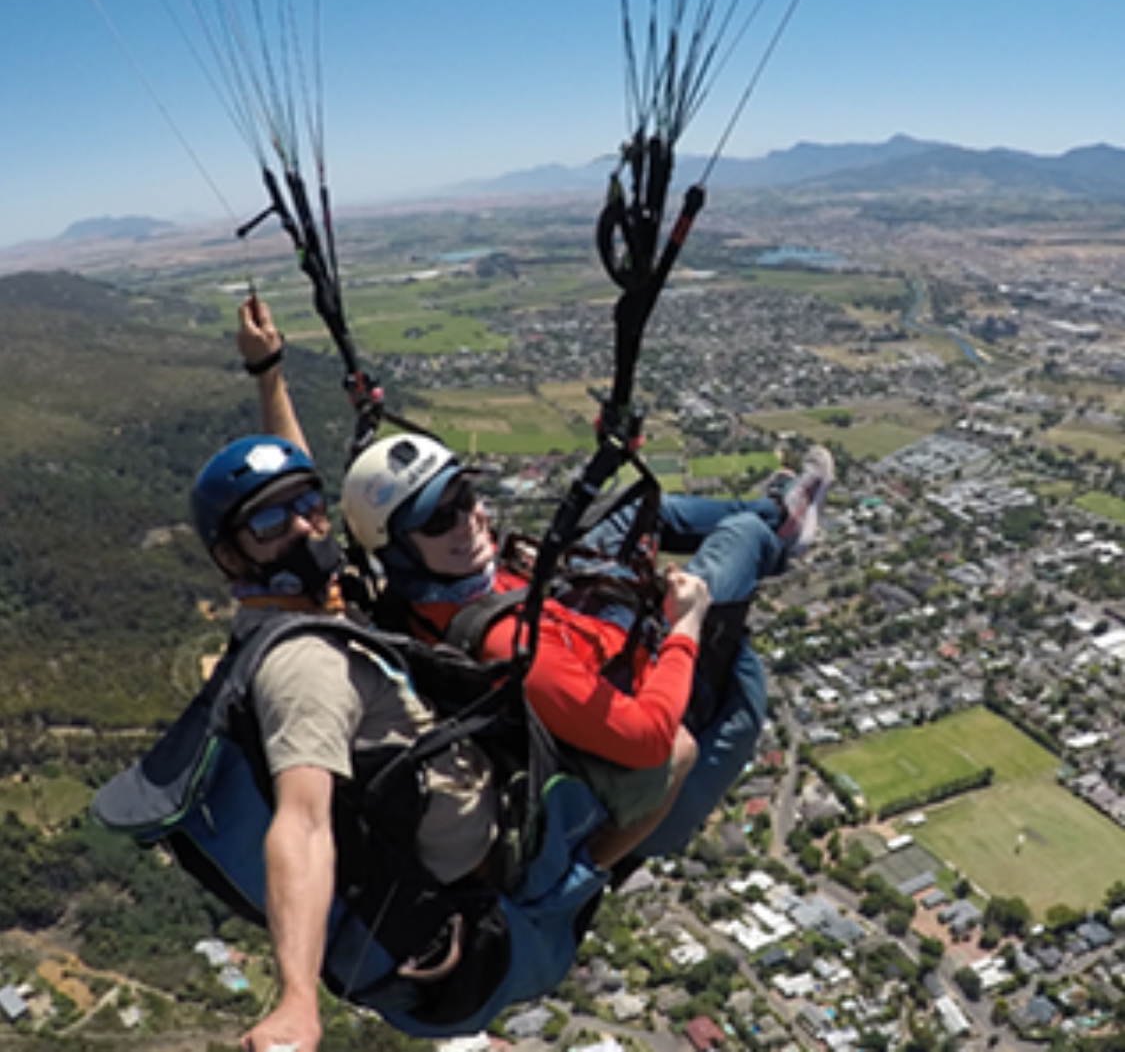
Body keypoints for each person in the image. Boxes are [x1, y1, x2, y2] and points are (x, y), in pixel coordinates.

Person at [238, 295, 834, 864]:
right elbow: (651, 738)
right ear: (401, 550)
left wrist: (268, 373)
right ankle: (775, 530)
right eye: (439, 517)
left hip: (580, 629)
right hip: (643, 688)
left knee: (630, 510)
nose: (469, 519)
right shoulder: (508, 648)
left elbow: (306, 507)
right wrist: (686, 625)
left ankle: (772, 513)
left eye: (466, 495)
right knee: (740, 545)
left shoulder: (408, 593)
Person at [189, 431, 502, 1052]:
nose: (305, 530)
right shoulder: (303, 664)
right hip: (476, 894)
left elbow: (294, 486)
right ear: (230, 557)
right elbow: (301, 823)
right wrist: (297, 1000)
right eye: (271, 524)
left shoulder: (307, 603)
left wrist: (269, 372)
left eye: (310, 506)